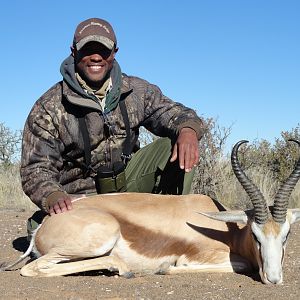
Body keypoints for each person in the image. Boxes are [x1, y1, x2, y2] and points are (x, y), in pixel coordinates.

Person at [21, 18, 206, 221]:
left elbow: (176, 113)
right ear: (73, 52)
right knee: (52, 233)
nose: (95, 57)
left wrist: (188, 130)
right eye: (87, 50)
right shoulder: (49, 106)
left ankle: (173, 224)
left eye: (103, 50)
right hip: (81, 198)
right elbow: (35, 169)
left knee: (175, 143)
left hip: (128, 187)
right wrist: (53, 196)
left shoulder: (137, 91)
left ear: (114, 52)